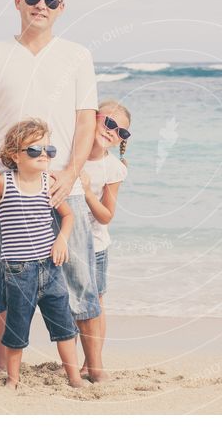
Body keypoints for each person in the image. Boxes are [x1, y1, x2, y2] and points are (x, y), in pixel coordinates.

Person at [0, 0, 105, 382]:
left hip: (61, 185)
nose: (40, 6)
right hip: (4, 187)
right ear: (18, 2)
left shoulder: (77, 56)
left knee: (81, 283)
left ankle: (94, 369)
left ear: (61, 8)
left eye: (50, 1)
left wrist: (71, 172)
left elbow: (86, 121)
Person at [0, 119, 83, 389]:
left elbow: (67, 216)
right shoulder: (2, 183)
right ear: (14, 155)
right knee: (17, 327)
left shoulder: (50, 183)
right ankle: (13, 380)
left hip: (51, 266)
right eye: (34, 150)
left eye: (48, 150)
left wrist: (61, 241)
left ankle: (75, 377)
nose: (44, 155)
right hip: (17, 271)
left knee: (64, 325)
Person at [78, 100, 131, 375]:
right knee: (68, 304)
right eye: (109, 123)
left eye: (121, 132)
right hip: (64, 241)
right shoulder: (69, 154)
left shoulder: (113, 168)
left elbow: (106, 216)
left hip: (95, 246)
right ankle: (73, 361)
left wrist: (87, 192)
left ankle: (92, 362)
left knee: (96, 302)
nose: (112, 131)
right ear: (94, 118)